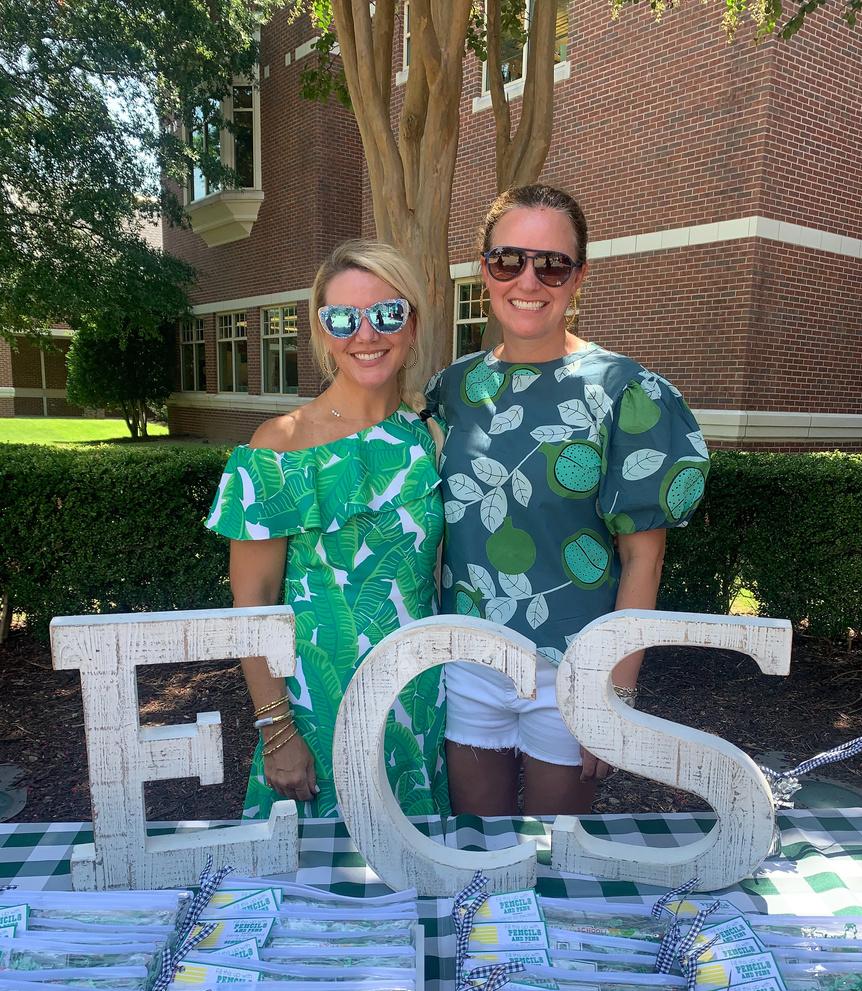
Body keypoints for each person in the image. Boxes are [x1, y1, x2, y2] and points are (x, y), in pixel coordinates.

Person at [425, 184, 709, 816]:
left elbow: (643, 558)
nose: (528, 280)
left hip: (574, 669)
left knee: (558, 854)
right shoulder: (453, 389)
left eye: (552, 264)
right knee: (477, 847)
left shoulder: (626, 392)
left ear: (579, 276)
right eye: (509, 260)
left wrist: (616, 694)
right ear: (484, 270)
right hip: (466, 657)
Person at [206, 240, 449, 819]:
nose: (366, 335)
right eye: (342, 318)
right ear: (322, 331)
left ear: (413, 324)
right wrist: (276, 731)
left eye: (386, 313)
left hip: (417, 702)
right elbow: (252, 602)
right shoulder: (279, 446)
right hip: (315, 708)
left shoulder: (429, 436)